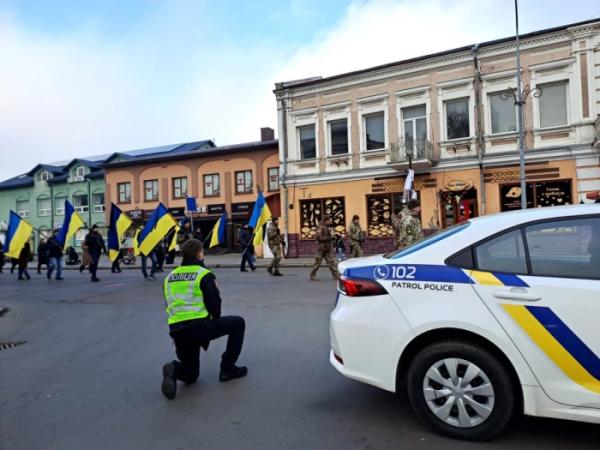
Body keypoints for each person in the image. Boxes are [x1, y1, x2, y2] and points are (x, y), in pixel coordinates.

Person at [161, 239, 247, 400]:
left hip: (178, 331)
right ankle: (227, 369)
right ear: (200, 254)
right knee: (238, 323)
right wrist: (213, 323)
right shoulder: (203, 274)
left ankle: (174, 369)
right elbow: (215, 305)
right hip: (200, 327)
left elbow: (169, 303)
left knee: (191, 374)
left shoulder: (169, 277)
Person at [310, 215, 339, 281]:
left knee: (331, 262)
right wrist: (330, 238)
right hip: (321, 248)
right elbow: (319, 237)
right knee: (317, 263)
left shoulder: (326, 226)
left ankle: (335, 275)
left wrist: (333, 237)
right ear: (326, 220)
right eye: (329, 220)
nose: (330, 221)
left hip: (327, 248)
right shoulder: (320, 226)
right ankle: (312, 275)